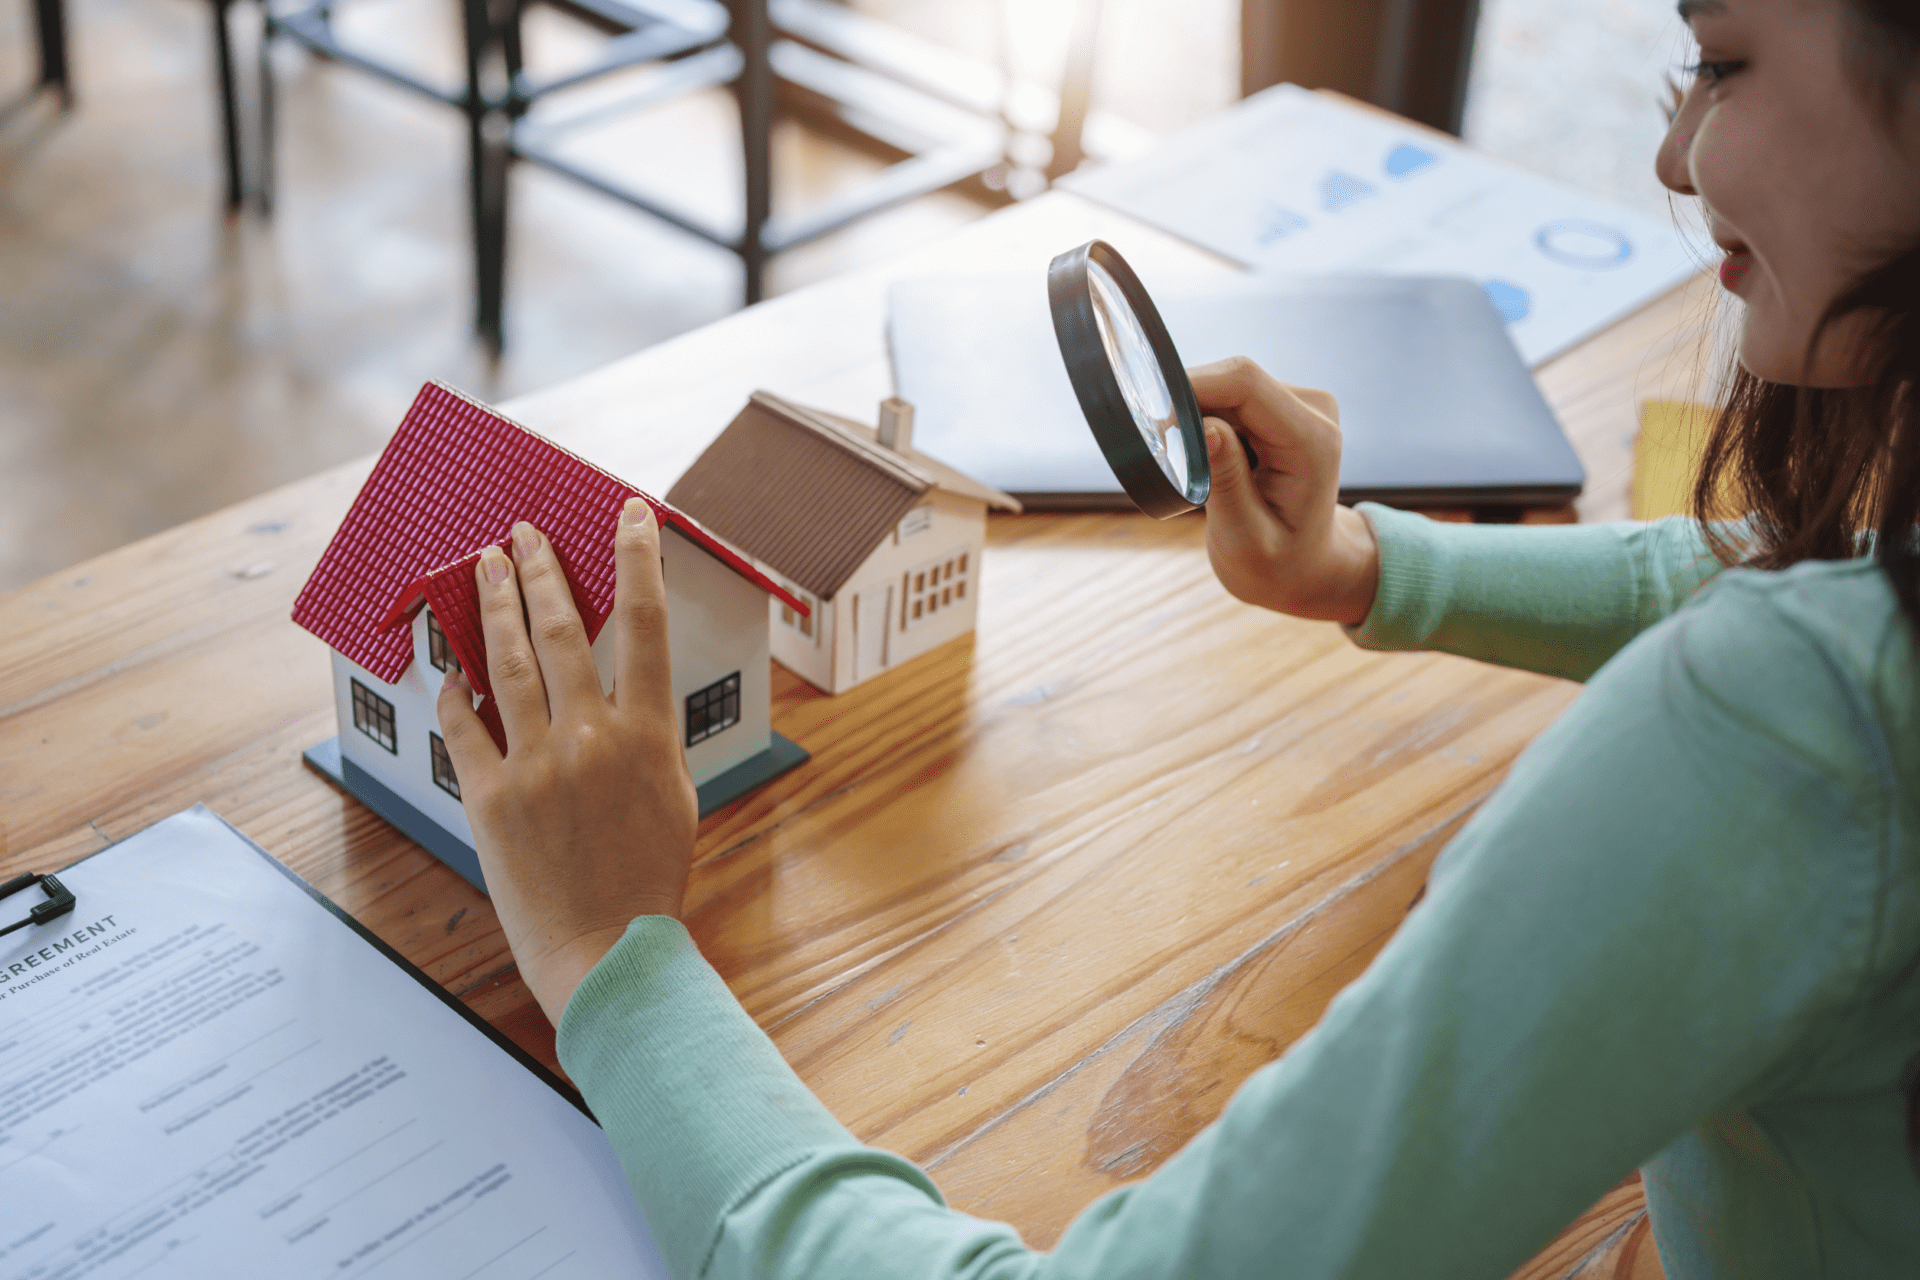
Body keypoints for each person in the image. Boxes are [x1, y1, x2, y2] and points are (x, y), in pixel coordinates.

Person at [434, 0, 1920, 1274]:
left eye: (1721, 61)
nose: (1673, 155)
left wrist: (605, 955)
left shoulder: (1789, 736)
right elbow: (1800, 572)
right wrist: (1368, 567)